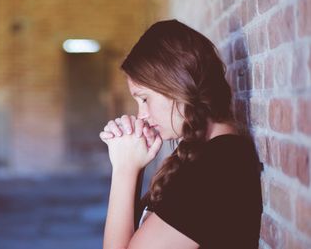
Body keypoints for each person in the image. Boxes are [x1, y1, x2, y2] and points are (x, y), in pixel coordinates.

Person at [99, 19, 262, 249]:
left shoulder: (217, 168)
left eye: (144, 99)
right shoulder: (205, 155)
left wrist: (124, 170)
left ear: (178, 85)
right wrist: (134, 166)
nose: (141, 114)